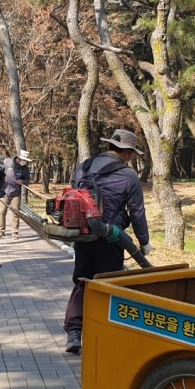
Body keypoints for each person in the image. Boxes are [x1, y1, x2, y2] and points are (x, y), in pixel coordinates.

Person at [63, 128, 150, 354]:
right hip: (111, 239)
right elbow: (137, 212)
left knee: (82, 281)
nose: (131, 157)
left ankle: (74, 332)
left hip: (82, 234)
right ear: (127, 152)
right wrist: (144, 242)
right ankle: (101, 335)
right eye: (131, 153)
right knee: (107, 285)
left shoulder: (84, 166)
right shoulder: (128, 175)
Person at [0, 149, 32, 238]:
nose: (24, 162)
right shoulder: (7, 163)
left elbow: (27, 180)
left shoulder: (25, 169)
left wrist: (22, 181)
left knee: (16, 213)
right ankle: (1, 232)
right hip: (4, 192)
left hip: (16, 194)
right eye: (23, 160)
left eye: (26, 160)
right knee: (2, 212)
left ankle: (15, 233)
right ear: (18, 157)